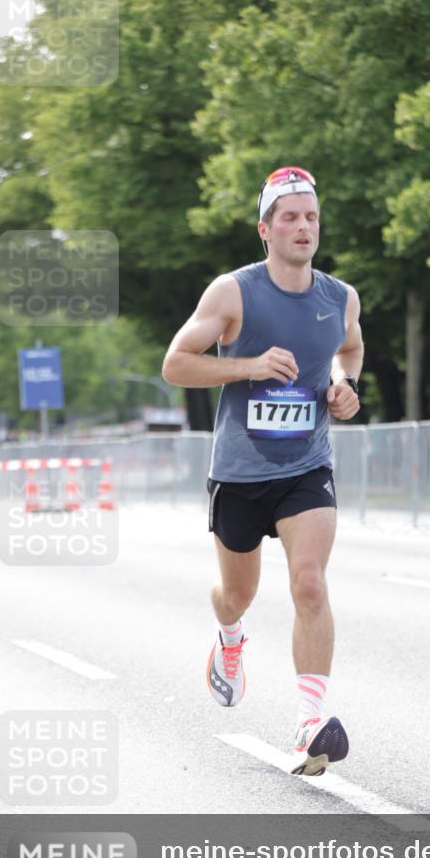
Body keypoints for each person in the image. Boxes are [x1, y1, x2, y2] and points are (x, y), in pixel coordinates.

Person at [162, 166, 364, 776]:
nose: (304, 227)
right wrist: (247, 366)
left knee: (310, 584)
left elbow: (349, 348)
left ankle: (309, 724)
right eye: (291, 217)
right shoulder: (232, 293)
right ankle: (229, 637)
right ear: (265, 229)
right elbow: (176, 364)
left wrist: (345, 385)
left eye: (312, 217)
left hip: (307, 465)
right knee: (237, 595)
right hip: (240, 471)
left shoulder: (340, 297)